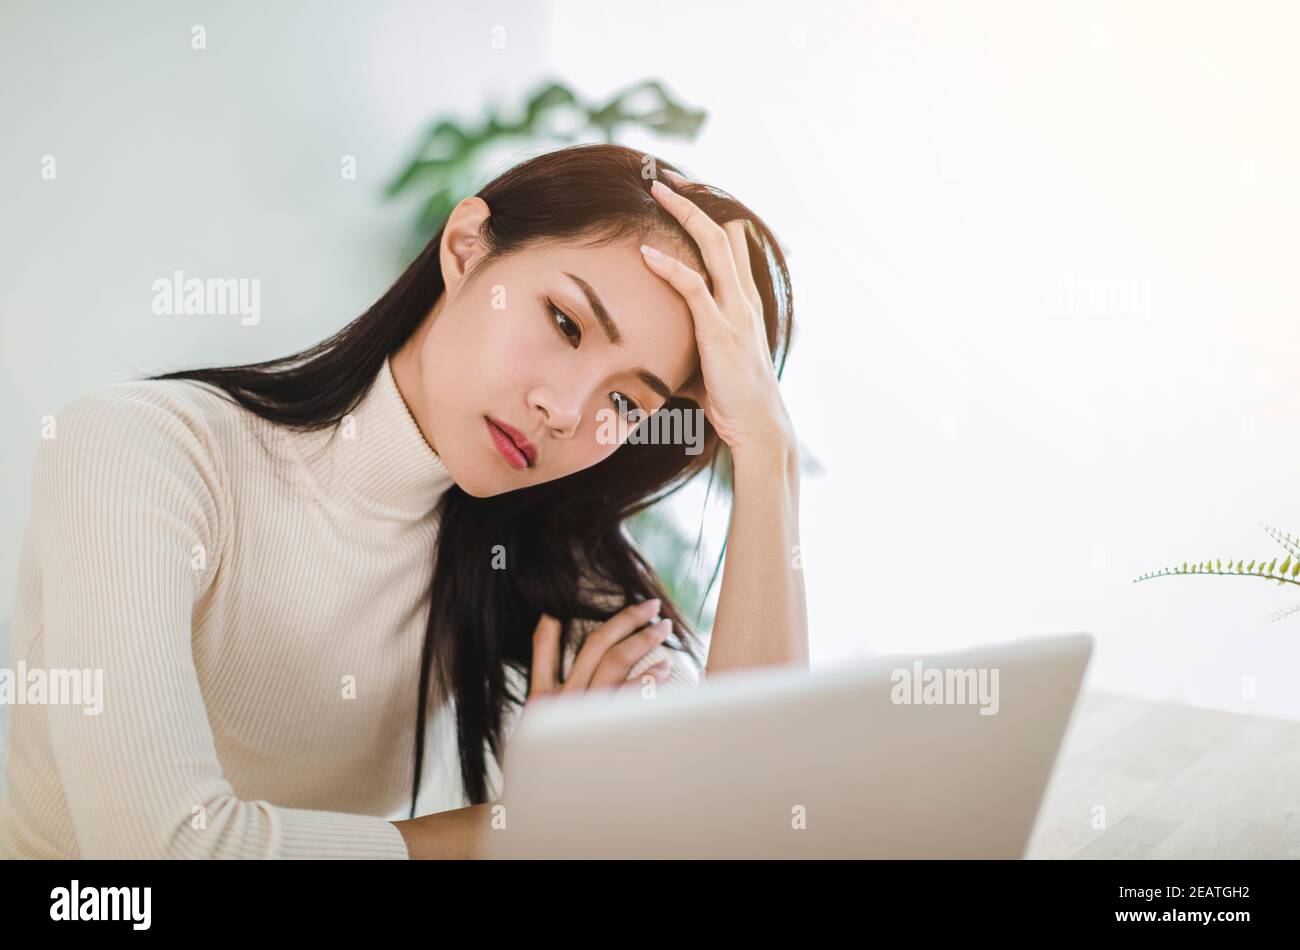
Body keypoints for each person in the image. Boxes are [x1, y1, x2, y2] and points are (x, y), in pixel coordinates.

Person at [0, 143, 807, 859]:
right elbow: (162, 854)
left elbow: (752, 829)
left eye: (627, 404)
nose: (567, 411)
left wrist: (766, 453)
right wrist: (521, 828)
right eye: (564, 322)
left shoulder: (541, 571)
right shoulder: (140, 453)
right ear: (466, 248)